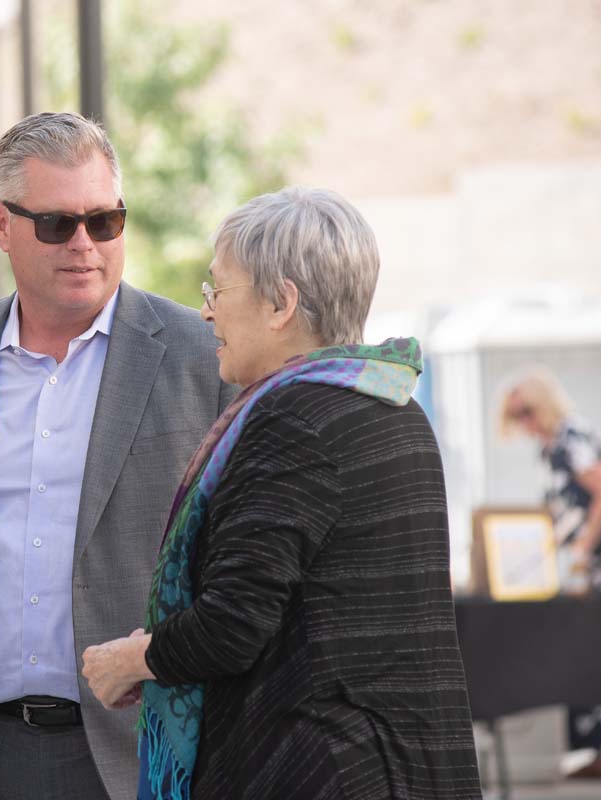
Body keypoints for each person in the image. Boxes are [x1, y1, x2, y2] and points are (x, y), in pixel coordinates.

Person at [0, 111, 232, 800]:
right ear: (3, 224)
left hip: (140, 751)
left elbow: (231, 556)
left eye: (105, 221)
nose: (85, 244)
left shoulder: (203, 357)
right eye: (57, 223)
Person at [82, 188, 483, 799]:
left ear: (281, 303)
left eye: (217, 289)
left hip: (321, 770)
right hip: (403, 767)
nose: (207, 313)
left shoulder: (293, 418)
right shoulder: (392, 406)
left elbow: (233, 623)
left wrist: (134, 661)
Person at [500, 370, 601, 780]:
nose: (525, 423)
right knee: (592, 649)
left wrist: (583, 550)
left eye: (527, 412)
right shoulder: (551, 448)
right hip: (591, 561)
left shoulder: (573, 436)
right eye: (517, 416)